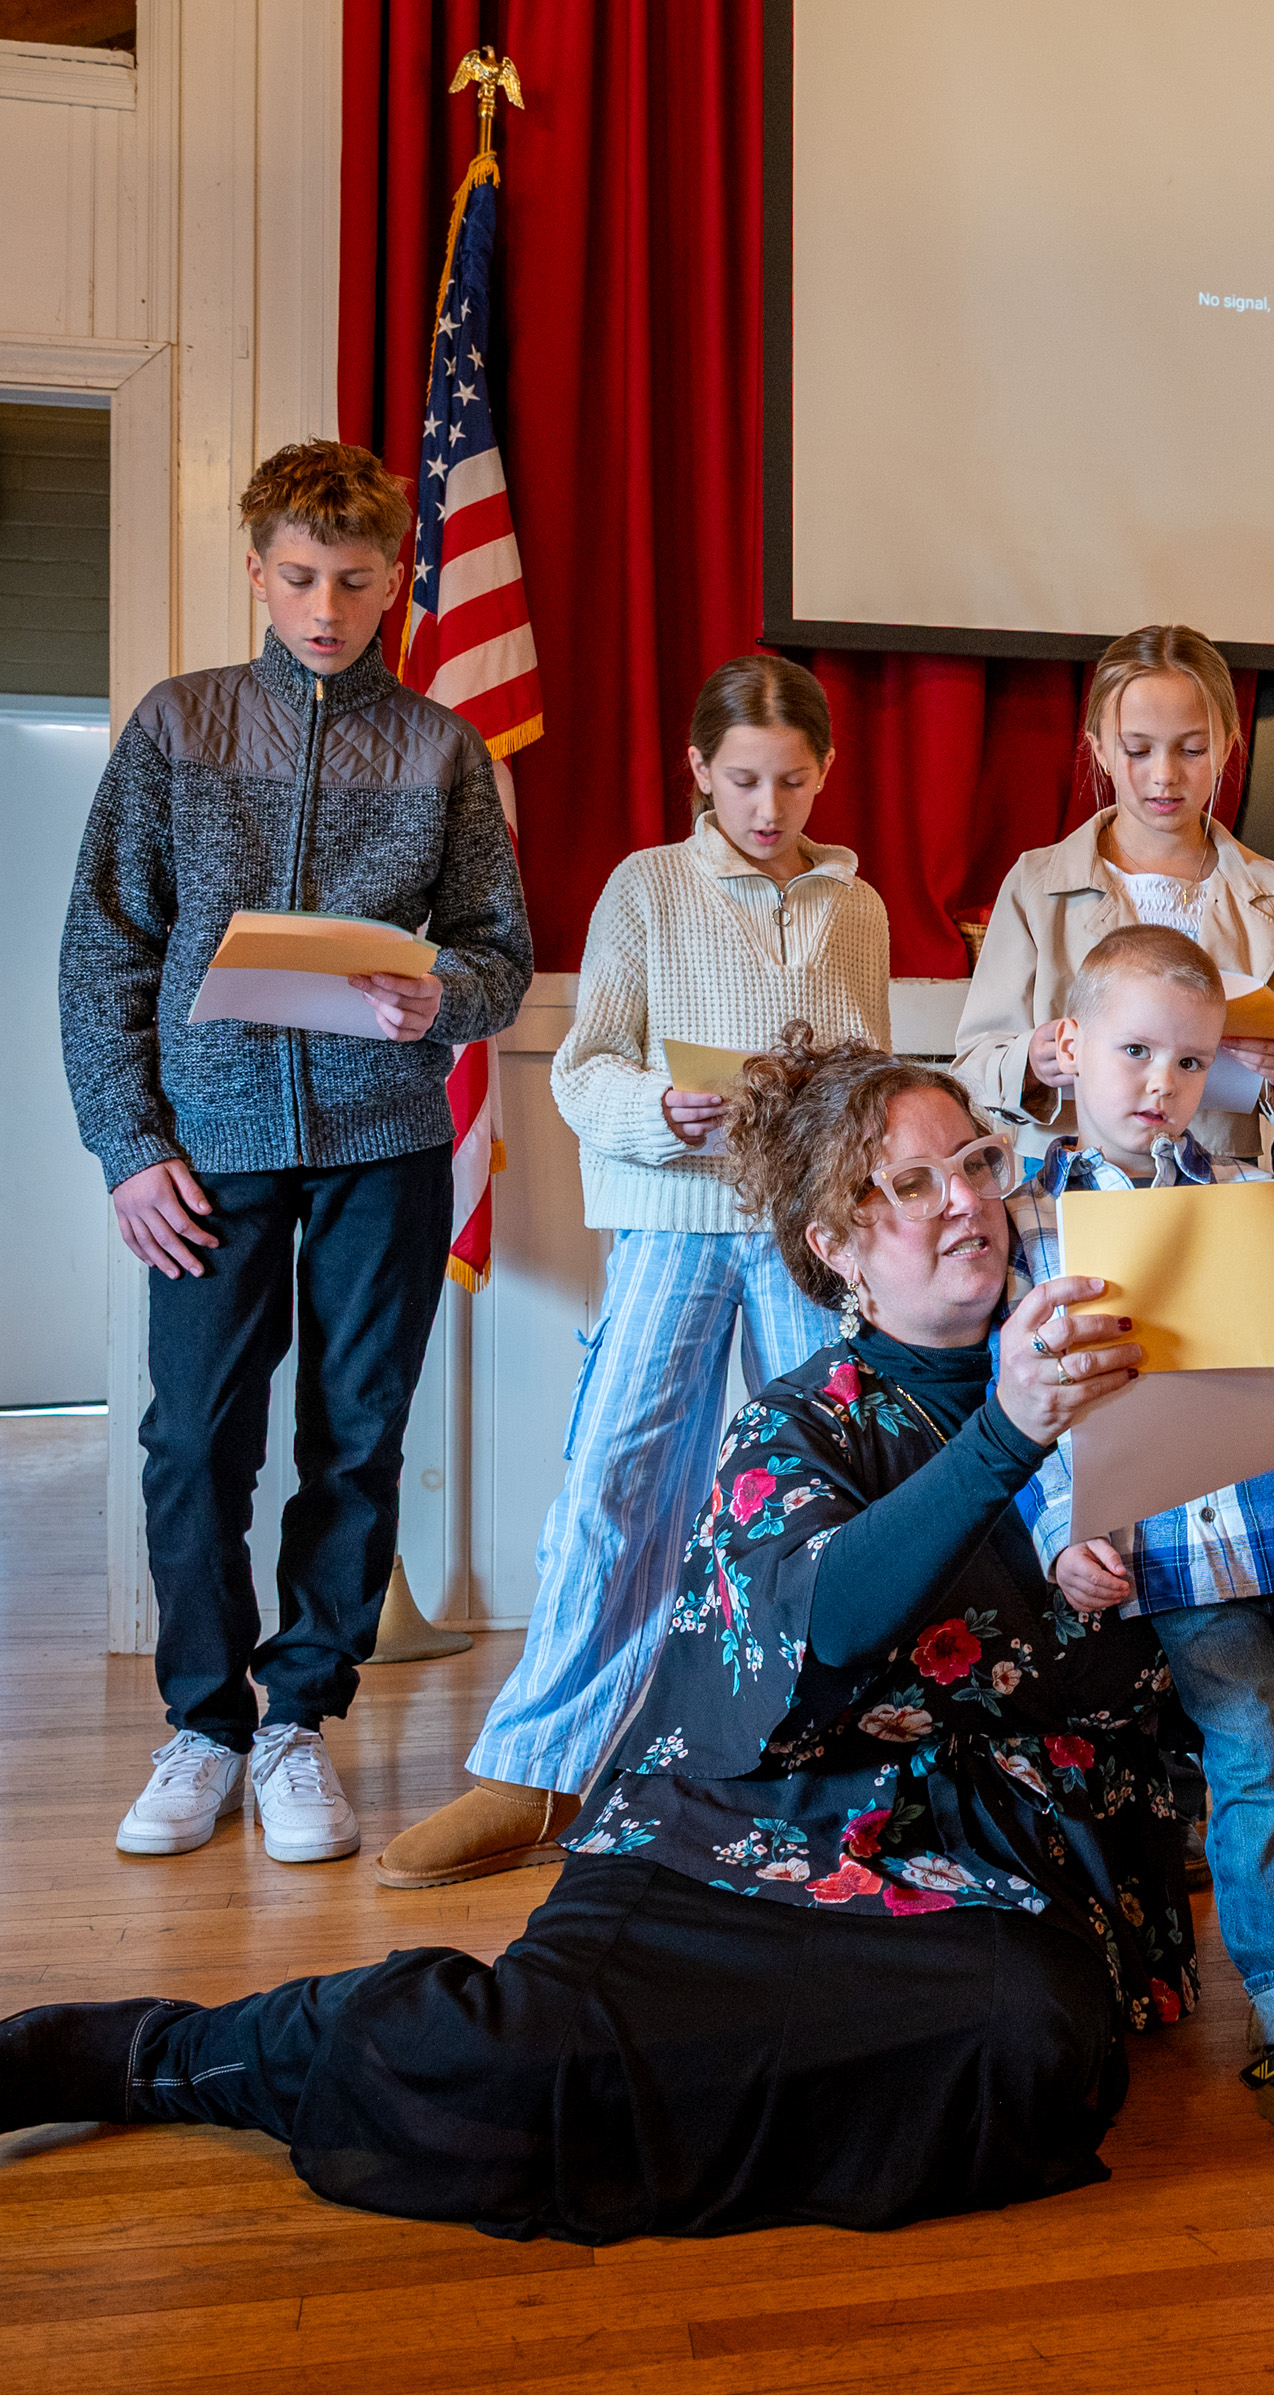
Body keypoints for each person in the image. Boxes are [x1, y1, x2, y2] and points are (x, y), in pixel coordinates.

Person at [0, 1035, 1193, 2240]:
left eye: (979, 1162)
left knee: (1041, 2043)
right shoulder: (802, 1423)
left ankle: (728, 2079)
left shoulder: (1108, 1366)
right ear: (836, 1247)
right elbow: (827, 1620)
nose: (966, 1200)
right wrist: (1007, 1436)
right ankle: (186, 2054)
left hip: (963, 1854)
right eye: (913, 1184)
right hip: (738, 1833)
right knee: (510, 2074)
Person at [63, 439, 533, 1868]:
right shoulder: (179, 725)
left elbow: (499, 956)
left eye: (355, 579)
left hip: (383, 1142)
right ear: (257, 570)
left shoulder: (445, 749)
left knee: (357, 1433)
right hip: (204, 1153)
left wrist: (436, 996)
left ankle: (296, 1724)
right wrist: (129, 1147)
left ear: (399, 578)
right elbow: (102, 951)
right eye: (300, 576)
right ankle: (202, 1725)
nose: (327, 605)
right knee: (194, 1436)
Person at [381, 655, 891, 1888]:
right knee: (617, 1477)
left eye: (793, 781)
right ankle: (540, 1768)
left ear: (825, 773)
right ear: (699, 773)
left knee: (829, 1489)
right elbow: (581, 1064)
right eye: (743, 781)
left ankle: (837, 1759)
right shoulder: (648, 887)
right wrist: (663, 1108)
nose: (769, 809)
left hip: (800, 1232)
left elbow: (866, 1073)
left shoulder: (857, 908)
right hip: (670, 1219)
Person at [1006, 925, 1274, 2165]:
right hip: (1175, 1547)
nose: (1159, 1083)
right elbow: (1026, 1408)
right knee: (1257, 1763)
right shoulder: (1040, 1220)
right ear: (1072, 1047)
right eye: (1134, 1050)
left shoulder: (1251, 1194)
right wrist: (1062, 1535)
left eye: (1189, 1062)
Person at [953, 622, 1274, 1165]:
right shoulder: (1036, 886)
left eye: (1192, 749)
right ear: (1100, 750)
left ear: (1227, 746)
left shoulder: (1272, 900)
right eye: (1137, 750)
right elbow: (974, 1066)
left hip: (1213, 1181)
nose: (1164, 775)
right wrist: (1031, 1062)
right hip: (1065, 1183)